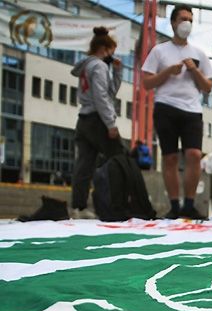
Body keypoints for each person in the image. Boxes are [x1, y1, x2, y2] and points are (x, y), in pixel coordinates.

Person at [142, 5, 212, 220]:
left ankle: (189, 204)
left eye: (190, 20)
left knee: (193, 155)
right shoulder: (159, 51)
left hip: (192, 110)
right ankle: (174, 204)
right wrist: (168, 71)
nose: (187, 24)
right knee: (170, 157)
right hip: (166, 107)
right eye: (183, 19)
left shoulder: (199, 53)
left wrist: (193, 69)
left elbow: (208, 86)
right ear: (173, 22)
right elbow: (146, 82)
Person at [70, 26, 124, 219]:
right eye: (112, 50)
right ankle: (119, 203)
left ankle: (79, 206)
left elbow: (108, 93)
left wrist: (117, 73)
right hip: (97, 120)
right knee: (119, 158)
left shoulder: (86, 66)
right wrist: (111, 124)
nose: (113, 55)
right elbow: (102, 97)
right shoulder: (99, 66)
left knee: (84, 164)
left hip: (83, 119)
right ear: (105, 48)